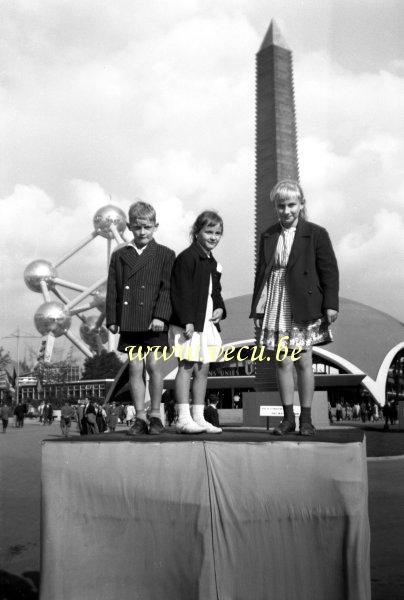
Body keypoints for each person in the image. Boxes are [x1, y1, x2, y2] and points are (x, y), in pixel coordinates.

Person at [250, 180, 339, 436]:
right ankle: (288, 419)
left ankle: (307, 420)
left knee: (304, 361)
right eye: (281, 206)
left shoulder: (316, 233)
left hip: (304, 300)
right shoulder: (268, 235)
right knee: (282, 361)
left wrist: (330, 304)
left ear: (301, 204)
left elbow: (328, 271)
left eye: (291, 205)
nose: (286, 211)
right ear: (275, 207)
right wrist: (258, 309)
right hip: (276, 298)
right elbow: (261, 274)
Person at [106, 201, 175, 436]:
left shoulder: (166, 254)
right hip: (130, 321)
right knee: (135, 367)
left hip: (154, 322)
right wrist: (112, 318)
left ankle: (156, 414)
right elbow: (113, 289)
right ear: (128, 227)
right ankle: (140, 417)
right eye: (137, 227)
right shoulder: (119, 256)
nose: (142, 232)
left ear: (156, 226)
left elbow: (167, 289)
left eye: (147, 227)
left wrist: (160, 316)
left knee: (154, 365)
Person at [169, 210, 226, 434]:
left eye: (218, 233)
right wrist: (187, 321)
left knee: (203, 368)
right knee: (186, 366)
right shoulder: (187, 257)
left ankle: (199, 417)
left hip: (207, 323)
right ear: (197, 232)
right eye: (209, 232)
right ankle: (183, 418)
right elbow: (179, 291)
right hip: (189, 323)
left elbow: (216, 292)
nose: (213, 237)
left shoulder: (212, 262)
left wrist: (221, 307)